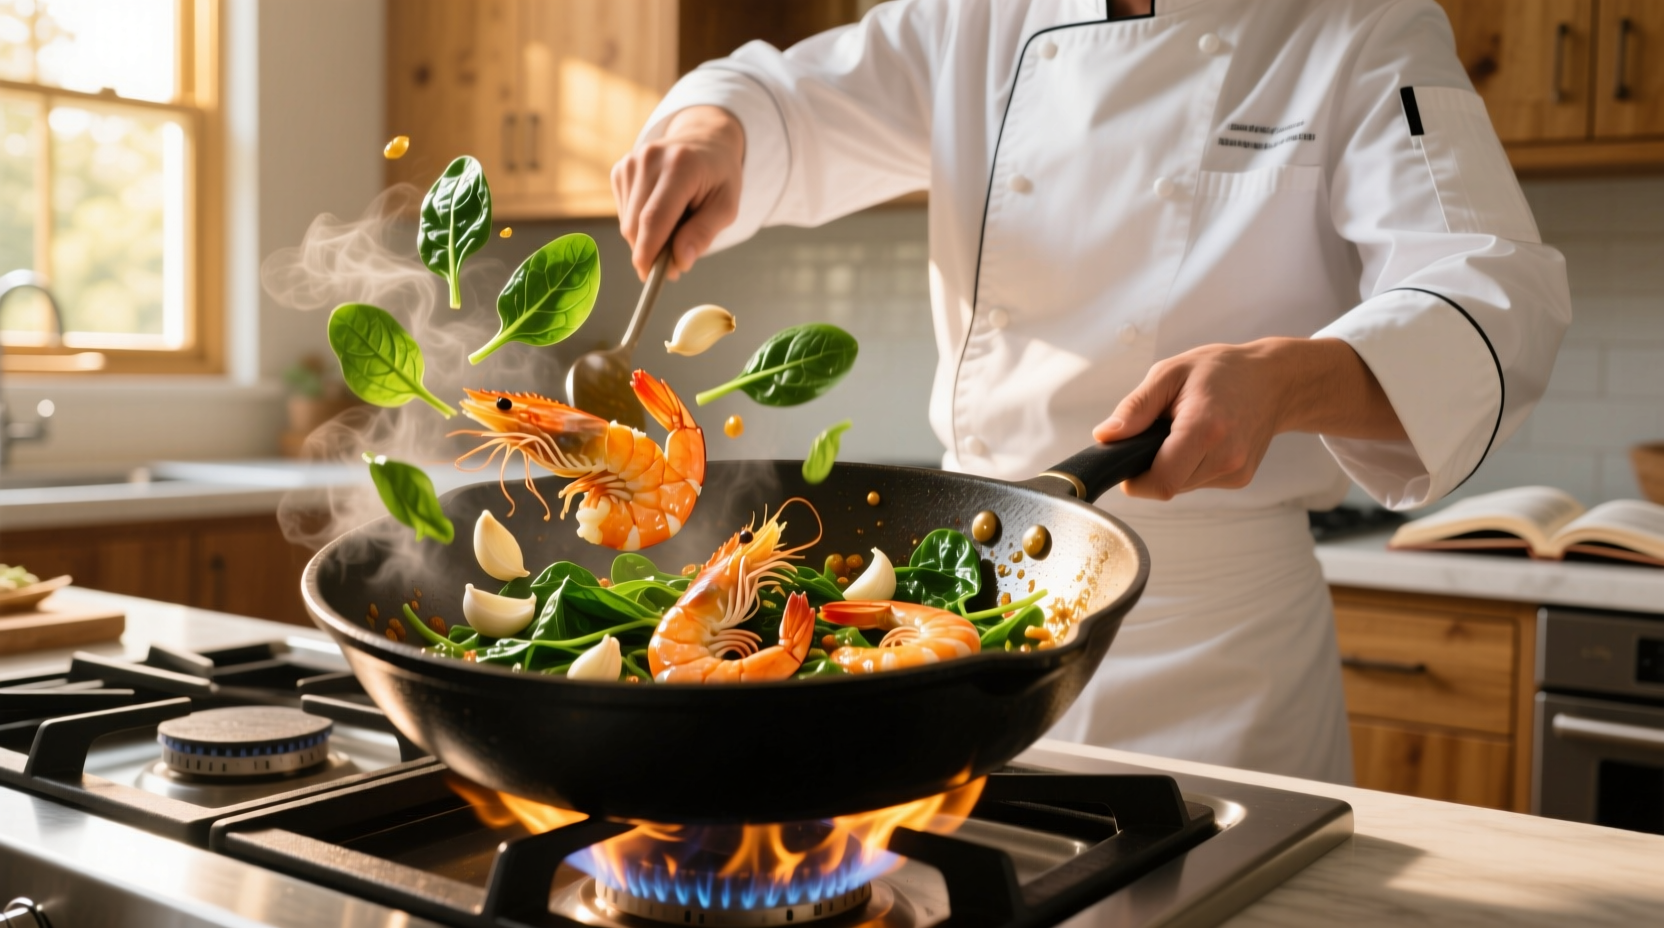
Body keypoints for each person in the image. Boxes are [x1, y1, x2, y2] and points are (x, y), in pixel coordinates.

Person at [611, 0, 1570, 783]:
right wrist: (714, 129)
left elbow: (1492, 290)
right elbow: (787, 96)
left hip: (1216, 656)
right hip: (965, 619)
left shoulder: (1357, 25)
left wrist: (1286, 380)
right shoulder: (978, 18)